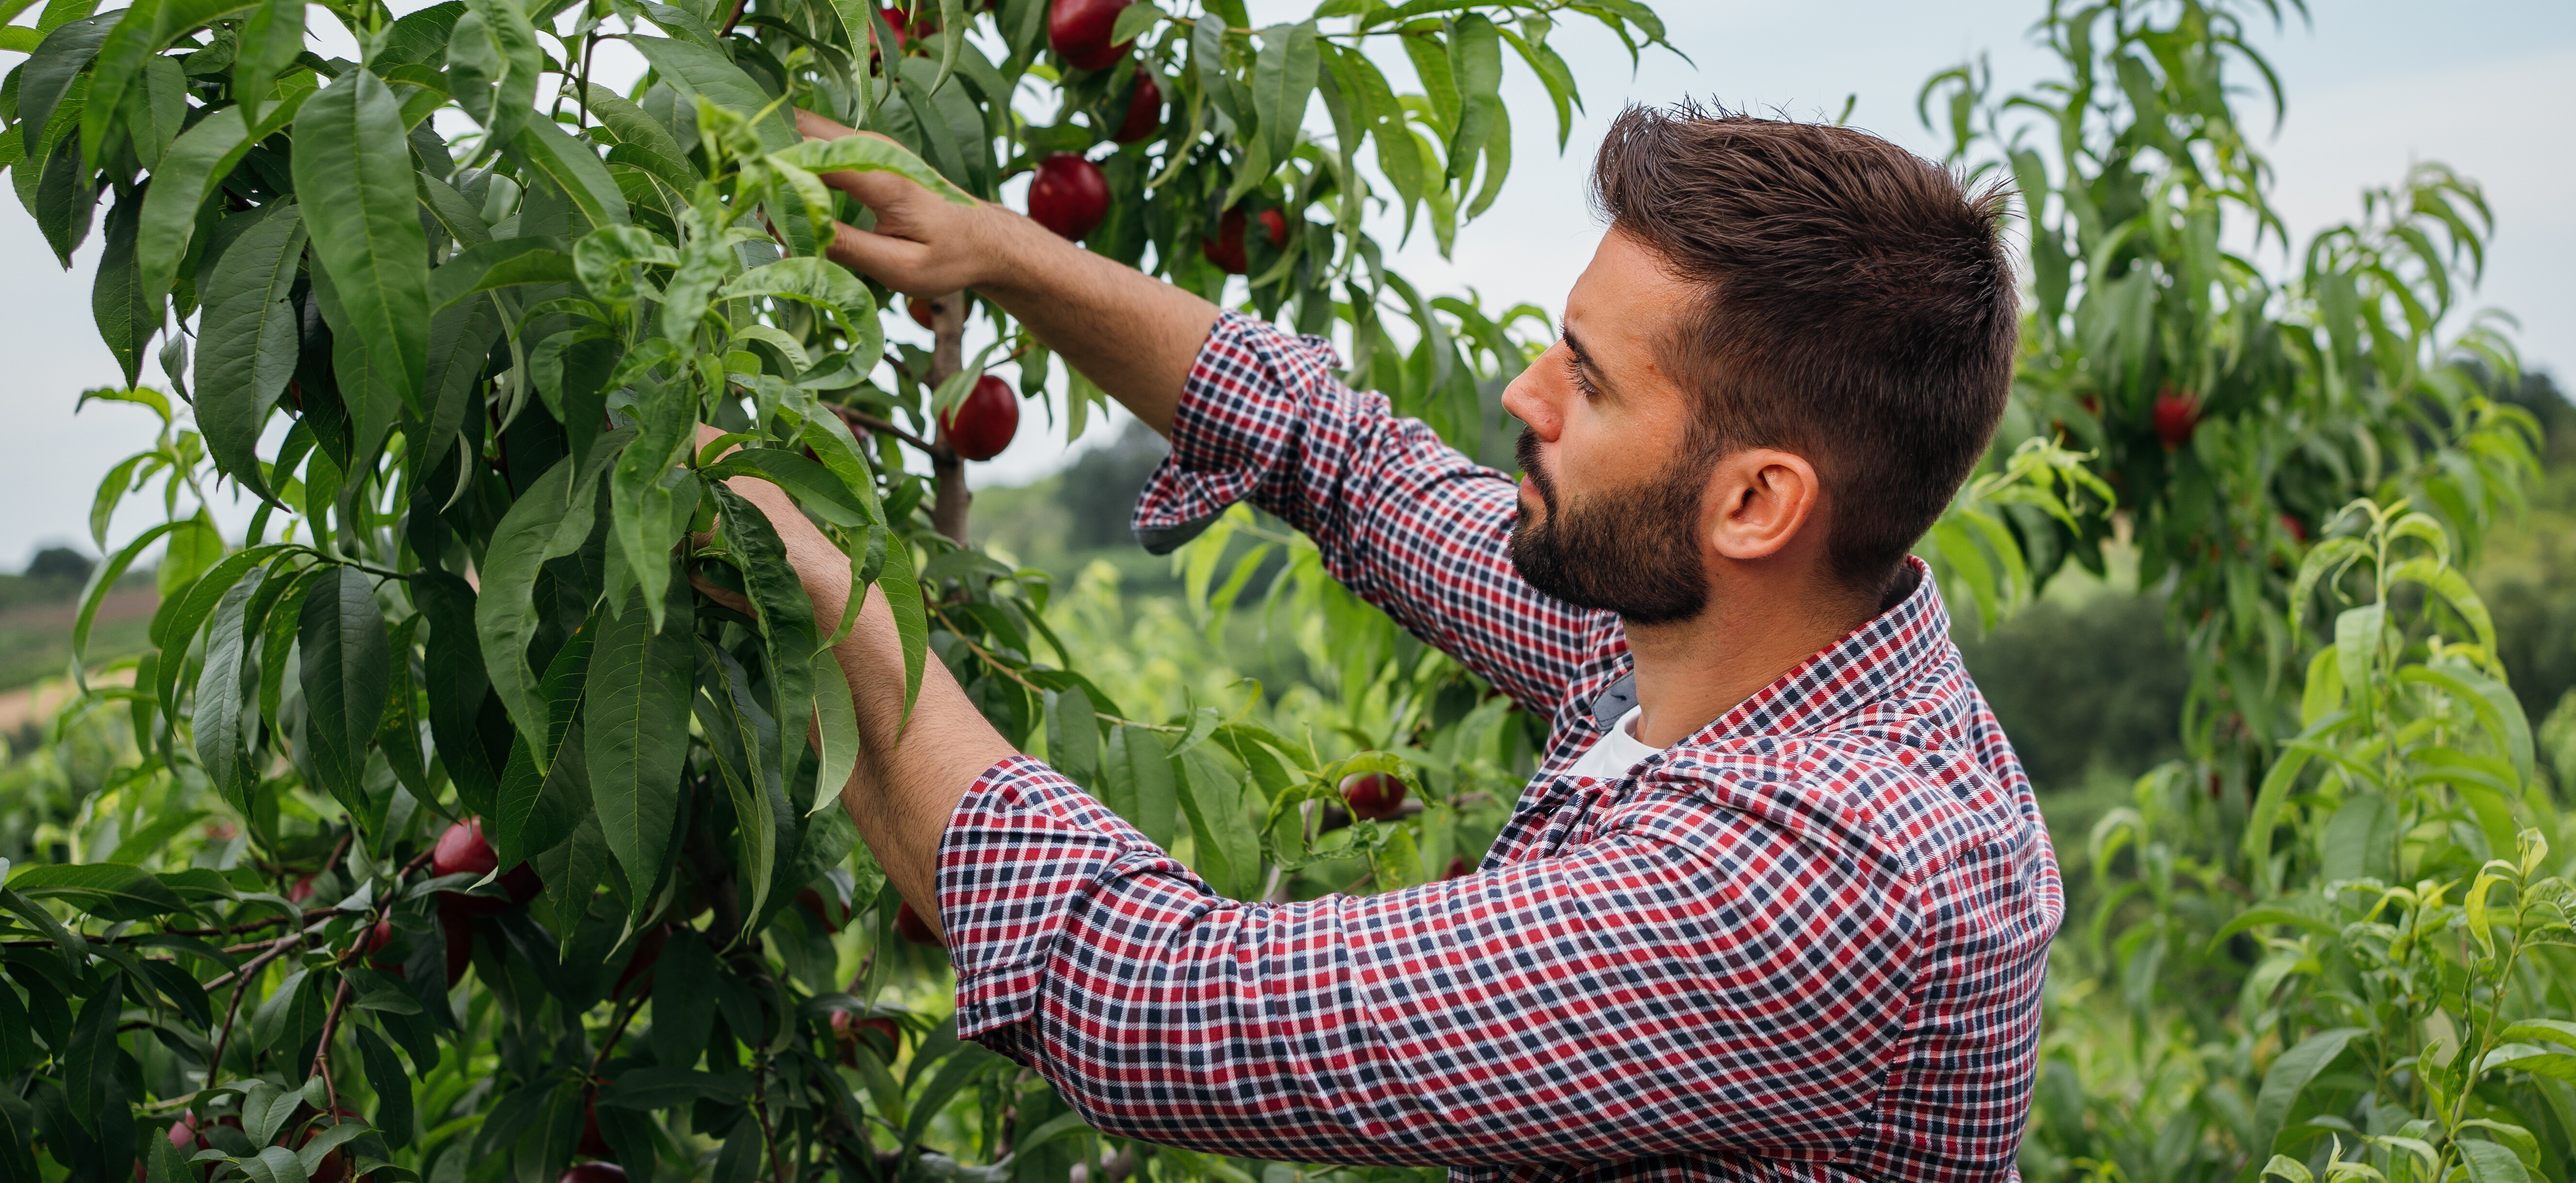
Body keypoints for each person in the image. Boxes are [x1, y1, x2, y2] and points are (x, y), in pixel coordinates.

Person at [715, 102, 2061, 1183]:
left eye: (1587, 380)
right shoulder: (1713, 636)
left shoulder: (1826, 872)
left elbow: (1160, 1003)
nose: (1522, 392)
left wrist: (830, 594)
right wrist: (1000, 251)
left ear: (1758, 502)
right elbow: (1345, 455)